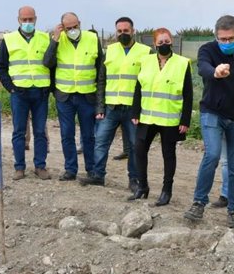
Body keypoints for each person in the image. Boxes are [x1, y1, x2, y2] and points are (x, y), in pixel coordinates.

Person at [183, 15, 234, 227]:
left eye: (230, 38)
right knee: (212, 155)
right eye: (222, 39)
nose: (226, 43)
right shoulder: (207, 49)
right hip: (213, 111)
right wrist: (215, 71)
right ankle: (198, 203)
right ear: (216, 36)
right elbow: (202, 66)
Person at [79, 17, 151, 191]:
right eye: (119, 31)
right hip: (111, 107)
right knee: (101, 142)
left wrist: (142, 109)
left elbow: (148, 82)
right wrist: (100, 106)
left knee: (134, 146)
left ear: (133, 31)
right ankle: (98, 175)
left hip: (132, 110)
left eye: (126, 31)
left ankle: (134, 180)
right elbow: (101, 80)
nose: (122, 34)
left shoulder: (146, 52)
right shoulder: (110, 50)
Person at [130, 28, 192, 206]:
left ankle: (166, 191)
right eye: (160, 42)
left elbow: (188, 94)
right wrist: (135, 112)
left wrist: (185, 120)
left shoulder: (182, 63)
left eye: (167, 41)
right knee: (139, 150)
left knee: (168, 155)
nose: (164, 45)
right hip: (147, 117)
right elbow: (138, 88)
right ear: (154, 44)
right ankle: (143, 187)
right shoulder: (146, 61)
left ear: (172, 41)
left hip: (169, 118)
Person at [43, 12, 103, 181]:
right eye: (68, 28)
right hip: (65, 96)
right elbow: (47, 63)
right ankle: (70, 169)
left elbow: (100, 69)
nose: (72, 30)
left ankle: (91, 169)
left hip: (87, 96)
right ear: (62, 27)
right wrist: (55, 38)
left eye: (75, 27)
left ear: (80, 24)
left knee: (88, 135)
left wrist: (99, 97)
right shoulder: (57, 40)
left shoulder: (92, 39)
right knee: (67, 134)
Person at [0, 6, 52, 181]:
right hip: (19, 93)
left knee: (40, 131)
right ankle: (19, 167)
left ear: (36, 19)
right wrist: (10, 87)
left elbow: (52, 62)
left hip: (40, 92)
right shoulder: (9, 39)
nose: (28, 23)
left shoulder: (44, 38)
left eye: (30, 19)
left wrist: (48, 87)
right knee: (19, 131)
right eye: (24, 19)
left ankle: (40, 166)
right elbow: (1, 66)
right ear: (18, 20)